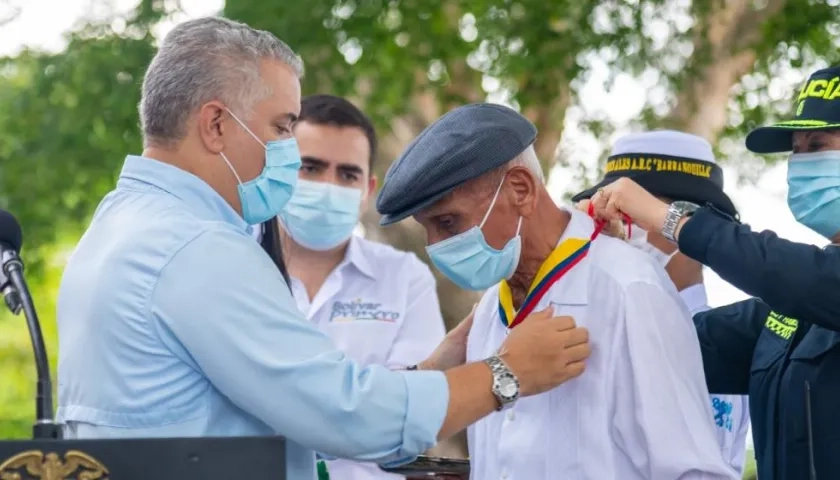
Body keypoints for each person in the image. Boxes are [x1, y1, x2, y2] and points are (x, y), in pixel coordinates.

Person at [54, 17, 594, 480]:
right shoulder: (197, 246)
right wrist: (505, 374)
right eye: (282, 126)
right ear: (216, 124)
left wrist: (435, 369)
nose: (290, 149)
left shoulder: (122, 224)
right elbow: (342, 413)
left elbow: (302, 399)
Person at [376, 103, 737, 480]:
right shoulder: (488, 312)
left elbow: (694, 471)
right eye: (427, 229)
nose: (435, 246)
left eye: (448, 222)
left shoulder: (626, 287)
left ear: (520, 190)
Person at [587, 65, 840, 480]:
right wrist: (596, 257)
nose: (799, 163)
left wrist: (667, 219)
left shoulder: (807, 282)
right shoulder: (784, 317)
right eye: (797, 149)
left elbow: (780, 268)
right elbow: (658, 342)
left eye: (817, 145)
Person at [254, 94, 447, 480]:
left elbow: (409, 423)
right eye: (310, 167)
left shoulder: (406, 279)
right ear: (278, 169)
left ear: (368, 189)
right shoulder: (235, 267)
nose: (328, 185)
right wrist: (362, 410)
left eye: (347, 175)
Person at [572, 130, 751, 475]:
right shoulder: (590, 324)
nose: (614, 227)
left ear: (686, 220)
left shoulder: (726, 342)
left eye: (629, 213)